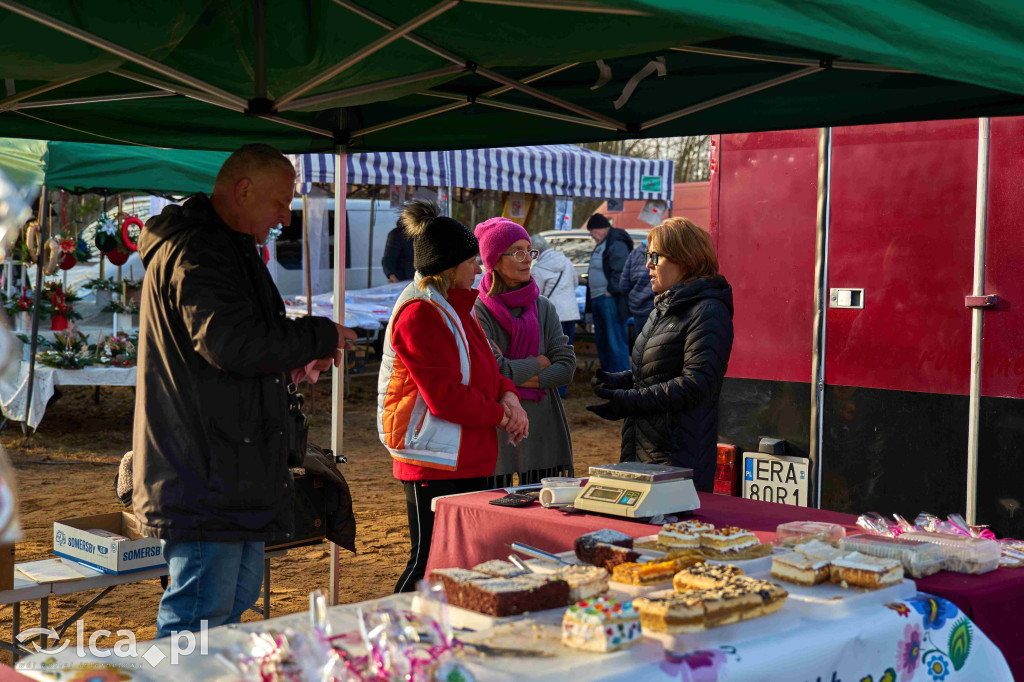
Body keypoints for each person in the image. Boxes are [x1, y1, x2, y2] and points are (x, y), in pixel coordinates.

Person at [133, 144, 357, 637]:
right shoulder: (198, 251)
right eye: (281, 202)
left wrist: (294, 361)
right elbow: (230, 343)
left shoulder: (225, 248)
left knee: (228, 609)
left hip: (229, 468)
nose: (285, 217)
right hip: (205, 473)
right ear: (243, 191)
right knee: (199, 617)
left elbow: (232, 351)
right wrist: (316, 335)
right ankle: (181, 674)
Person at [378, 200, 528, 593]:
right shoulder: (421, 313)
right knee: (428, 562)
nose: (479, 269)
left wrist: (509, 397)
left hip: (463, 454)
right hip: (433, 459)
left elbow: (488, 366)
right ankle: (398, 625)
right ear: (448, 266)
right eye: (472, 261)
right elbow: (445, 396)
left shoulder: (457, 306)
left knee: (462, 561)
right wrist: (502, 415)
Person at [588, 218, 733, 492]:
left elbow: (695, 384)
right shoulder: (664, 307)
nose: (647, 265)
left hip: (677, 458)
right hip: (644, 449)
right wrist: (621, 381)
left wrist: (627, 401)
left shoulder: (708, 311)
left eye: (655, 256)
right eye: (647, 256)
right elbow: (660, 370)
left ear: (685, 259)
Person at [474, 218, 575, 487]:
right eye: (517, 252)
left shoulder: (543, 307)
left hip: (543, 424)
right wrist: (542, 361)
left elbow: (566, 367)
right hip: (499, 422)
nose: (527, 259)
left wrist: (511, 374)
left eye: (529, 251)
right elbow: (494, 370)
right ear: (494, 260)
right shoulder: (478, 311)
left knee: (545, 502)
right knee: (494, 502)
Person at [529, 235, 579, 398]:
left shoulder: (539, 269)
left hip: (553, 314)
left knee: (551, 353)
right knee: (567, 352)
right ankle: (563, 388)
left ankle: (555, 387)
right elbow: (575, 283)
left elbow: (536, 294)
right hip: (571, 312)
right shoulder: (566, 261)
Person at [586, 213, 632, 373]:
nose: (591, 235)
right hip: (599, 299)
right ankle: (609, 379)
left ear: (602, 228)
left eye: (592, 231)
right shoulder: (602, 244)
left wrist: (611, 290)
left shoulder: (615, 242)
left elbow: (621, 269)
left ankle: (622, 379)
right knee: (603, 341)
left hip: (609, 300)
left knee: (614, 341)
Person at [620, 234, 655, 348]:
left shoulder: (634, 253)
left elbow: (624, 283)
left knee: (641, 344)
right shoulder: (660, 253)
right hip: (655, 305)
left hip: (638, 305)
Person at [381, 218, 415, 282]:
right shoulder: (397, 234)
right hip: (403, 279)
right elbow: (388, 259)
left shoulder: (425, 234)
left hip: (420, 279)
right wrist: (392, 276)